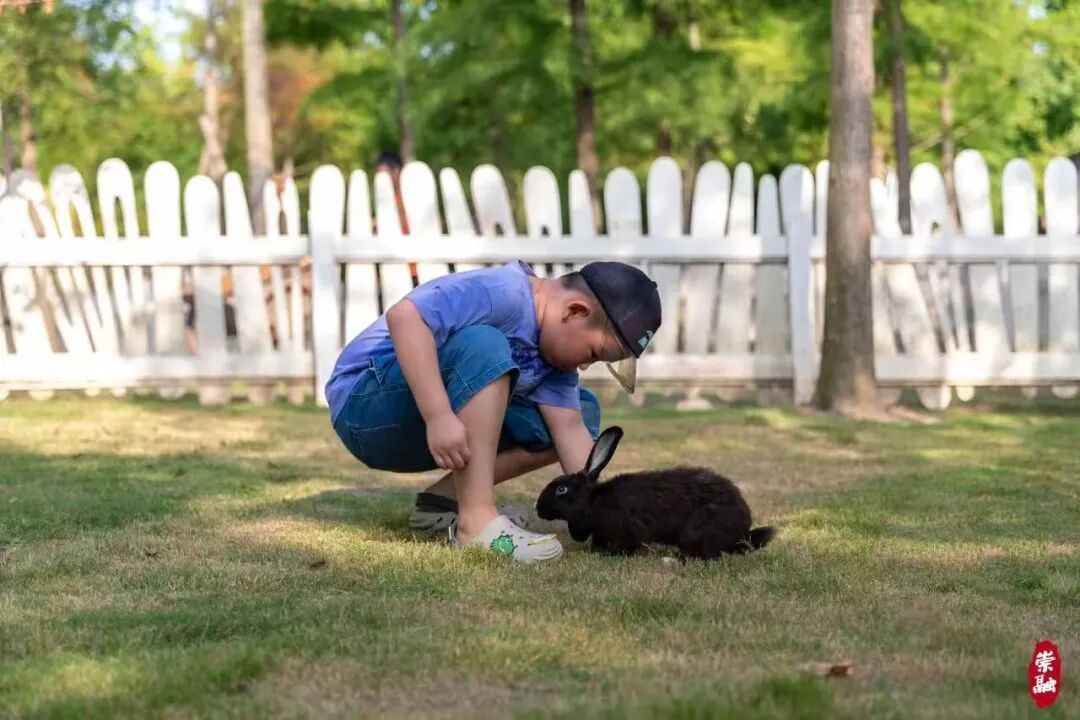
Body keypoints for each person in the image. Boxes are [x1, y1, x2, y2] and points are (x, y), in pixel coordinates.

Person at [325, 260, 661, 564]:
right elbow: (405, 317)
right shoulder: (504, 293)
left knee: (582, 411)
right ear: (574, 312)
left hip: (422, 428)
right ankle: (477, 523)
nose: (586, 365)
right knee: (486, 345)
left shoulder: (555, 361)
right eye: (594, 353)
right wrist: (438, 415)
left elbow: (569, 430)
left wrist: (615, 516)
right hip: (365, 406)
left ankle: (442, 503)